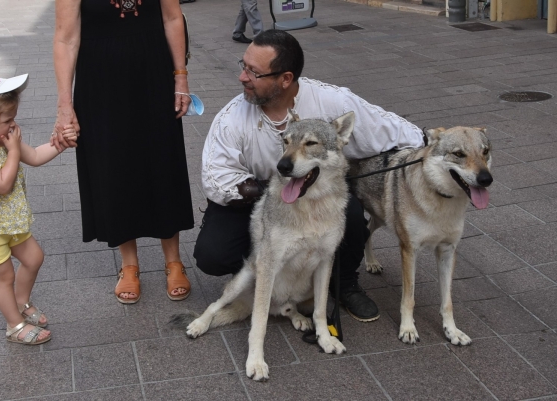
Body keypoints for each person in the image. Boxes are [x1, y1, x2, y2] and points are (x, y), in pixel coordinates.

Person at [194, 30, 426, 322]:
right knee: (212, 253)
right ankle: (263, 274)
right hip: (256, 199)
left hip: (318, 195)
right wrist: (267, 191)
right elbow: (216, 177)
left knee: (352, 215)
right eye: (243, 65)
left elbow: (385, 128)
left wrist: (430, 141)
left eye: (254, 72)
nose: (242, 77)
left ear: (286, 79)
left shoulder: (332, 101)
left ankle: (343, 284)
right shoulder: (230, 119)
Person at [52, 0, 195, 304]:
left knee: (162, 160)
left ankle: (174, 261)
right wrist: (65, 105)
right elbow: (65, 38)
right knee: (113, 166)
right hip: (100, 84)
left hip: (154, 76)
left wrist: (180, 77)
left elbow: (171, 18)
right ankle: (129, 265)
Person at [0, 73, 78, 344]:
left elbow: (34, 156)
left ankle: (22, 301)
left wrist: (60, 145)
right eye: (7, 120)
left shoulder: (3, 140)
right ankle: (15, 325)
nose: (14, 125)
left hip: (10, 222)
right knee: (5, 277)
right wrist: (12, 152)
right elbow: (2, 185)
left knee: (34, 258)